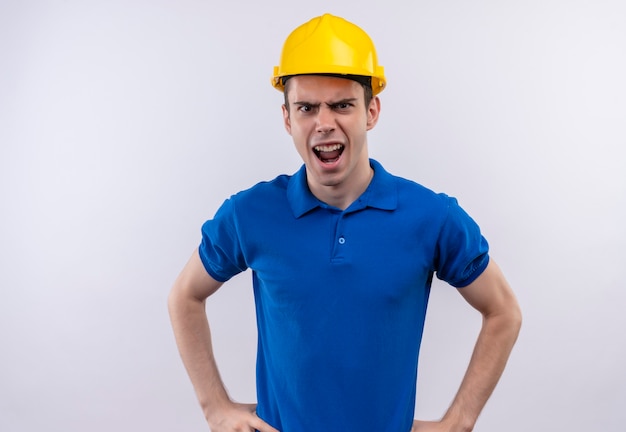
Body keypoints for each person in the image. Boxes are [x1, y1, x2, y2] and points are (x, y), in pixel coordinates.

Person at [168, 13, 522, 432]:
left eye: (341, 105)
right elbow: (184, 296)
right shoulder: (249, 215)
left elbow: (503, 311)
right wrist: (215, 408)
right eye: (306, 107)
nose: (323, 123)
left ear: (371, 111)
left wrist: (458, 422)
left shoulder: (432, 217)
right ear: (287, 119)